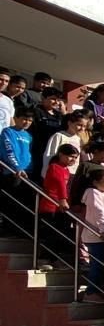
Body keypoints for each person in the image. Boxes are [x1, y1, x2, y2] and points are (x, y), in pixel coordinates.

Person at [38, 143, 79, 266]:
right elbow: (60, 184)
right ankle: (44, 258)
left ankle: (54, 257)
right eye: (71, 156)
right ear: (61, 155)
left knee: (59, 233)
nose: (73, 160)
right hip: (50, 205)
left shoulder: (65, 169)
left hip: (60, 206)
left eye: (75, 157)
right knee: (50, 233)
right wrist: (63, 199)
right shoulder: (55, 167)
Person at [81, 169, 104, 303]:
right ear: (95, 182)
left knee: (103, 265)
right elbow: (99, 212)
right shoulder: (93, 193)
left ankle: (97, 289)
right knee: (97, 264)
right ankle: (90, 292)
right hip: (96, 236)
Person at [0, 107, 34, 235]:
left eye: (30, 120)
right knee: (10, 202)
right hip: (12, 172)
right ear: (16, 119)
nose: (27, 122)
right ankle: (7, 227)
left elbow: (29, 154)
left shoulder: (29, 136)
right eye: (24, 119)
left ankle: (18, 229)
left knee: (22, 203)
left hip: (26, 173)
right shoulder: (8, 131)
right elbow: (9, 150)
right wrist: (17, 167)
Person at [29, 87, 64, 177]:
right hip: (38, 150)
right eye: (53, 99)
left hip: (54, 151)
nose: (56, 102)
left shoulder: (59, 115)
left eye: (58, 100)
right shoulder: (36, 111)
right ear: (43, 98)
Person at [42, 111, 86, 176]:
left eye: (84, 126)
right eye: (79, 125)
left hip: (72, 174)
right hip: (57, 173)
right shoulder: (59, 136)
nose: (82, 128)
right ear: (70, 123)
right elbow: (49, 155)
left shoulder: (79, 139)